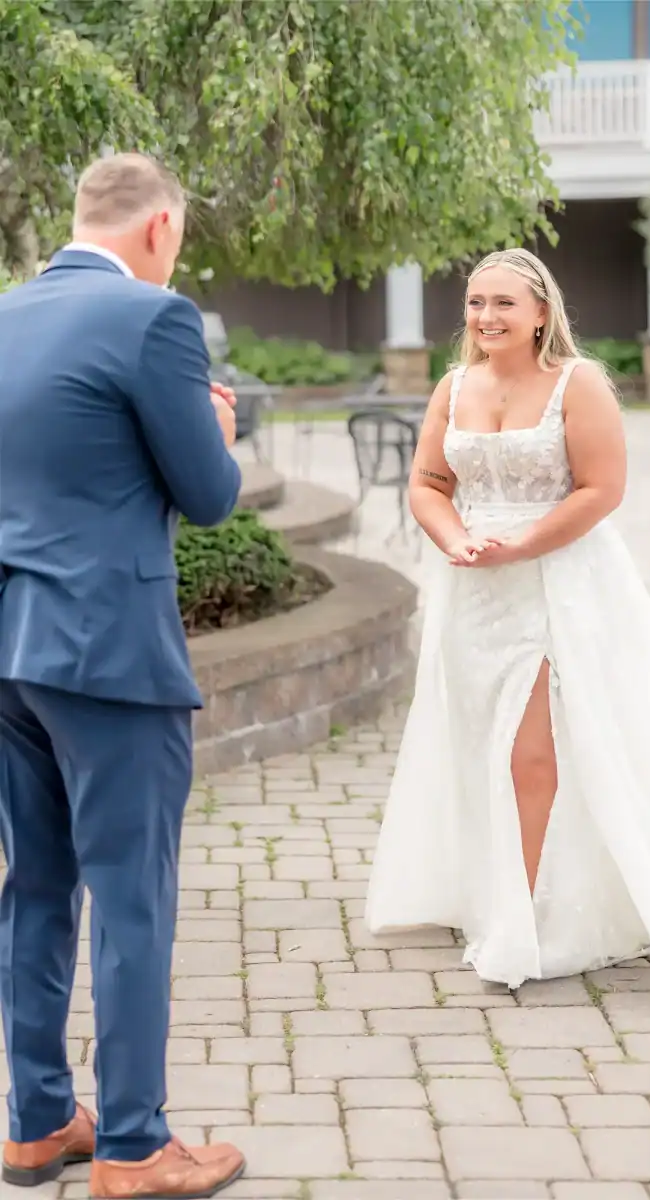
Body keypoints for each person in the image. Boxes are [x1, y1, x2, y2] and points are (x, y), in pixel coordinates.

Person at [365, 247, 650, 1002]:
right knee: (482, 740)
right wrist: (454, 537)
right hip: (473, 588)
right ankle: (498, 885)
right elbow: (429, 484)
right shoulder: (452, 387)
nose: (486, 316)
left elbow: (603, 488)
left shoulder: (578, 382)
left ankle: (526, 920)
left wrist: (525, 544)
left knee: (532, 751)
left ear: (541, 312)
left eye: (504, 303)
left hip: (558, 582)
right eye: (476, 303)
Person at [0, 154, 245, 1197]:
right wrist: (218, 431)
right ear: (158, 228)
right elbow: (209, 493)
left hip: (11, 647)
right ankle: (136, 1146)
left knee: (35, 887)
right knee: (132, 897)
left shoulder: (6, 316)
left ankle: (38, 1123)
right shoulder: (155, 319)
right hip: (107, 653)